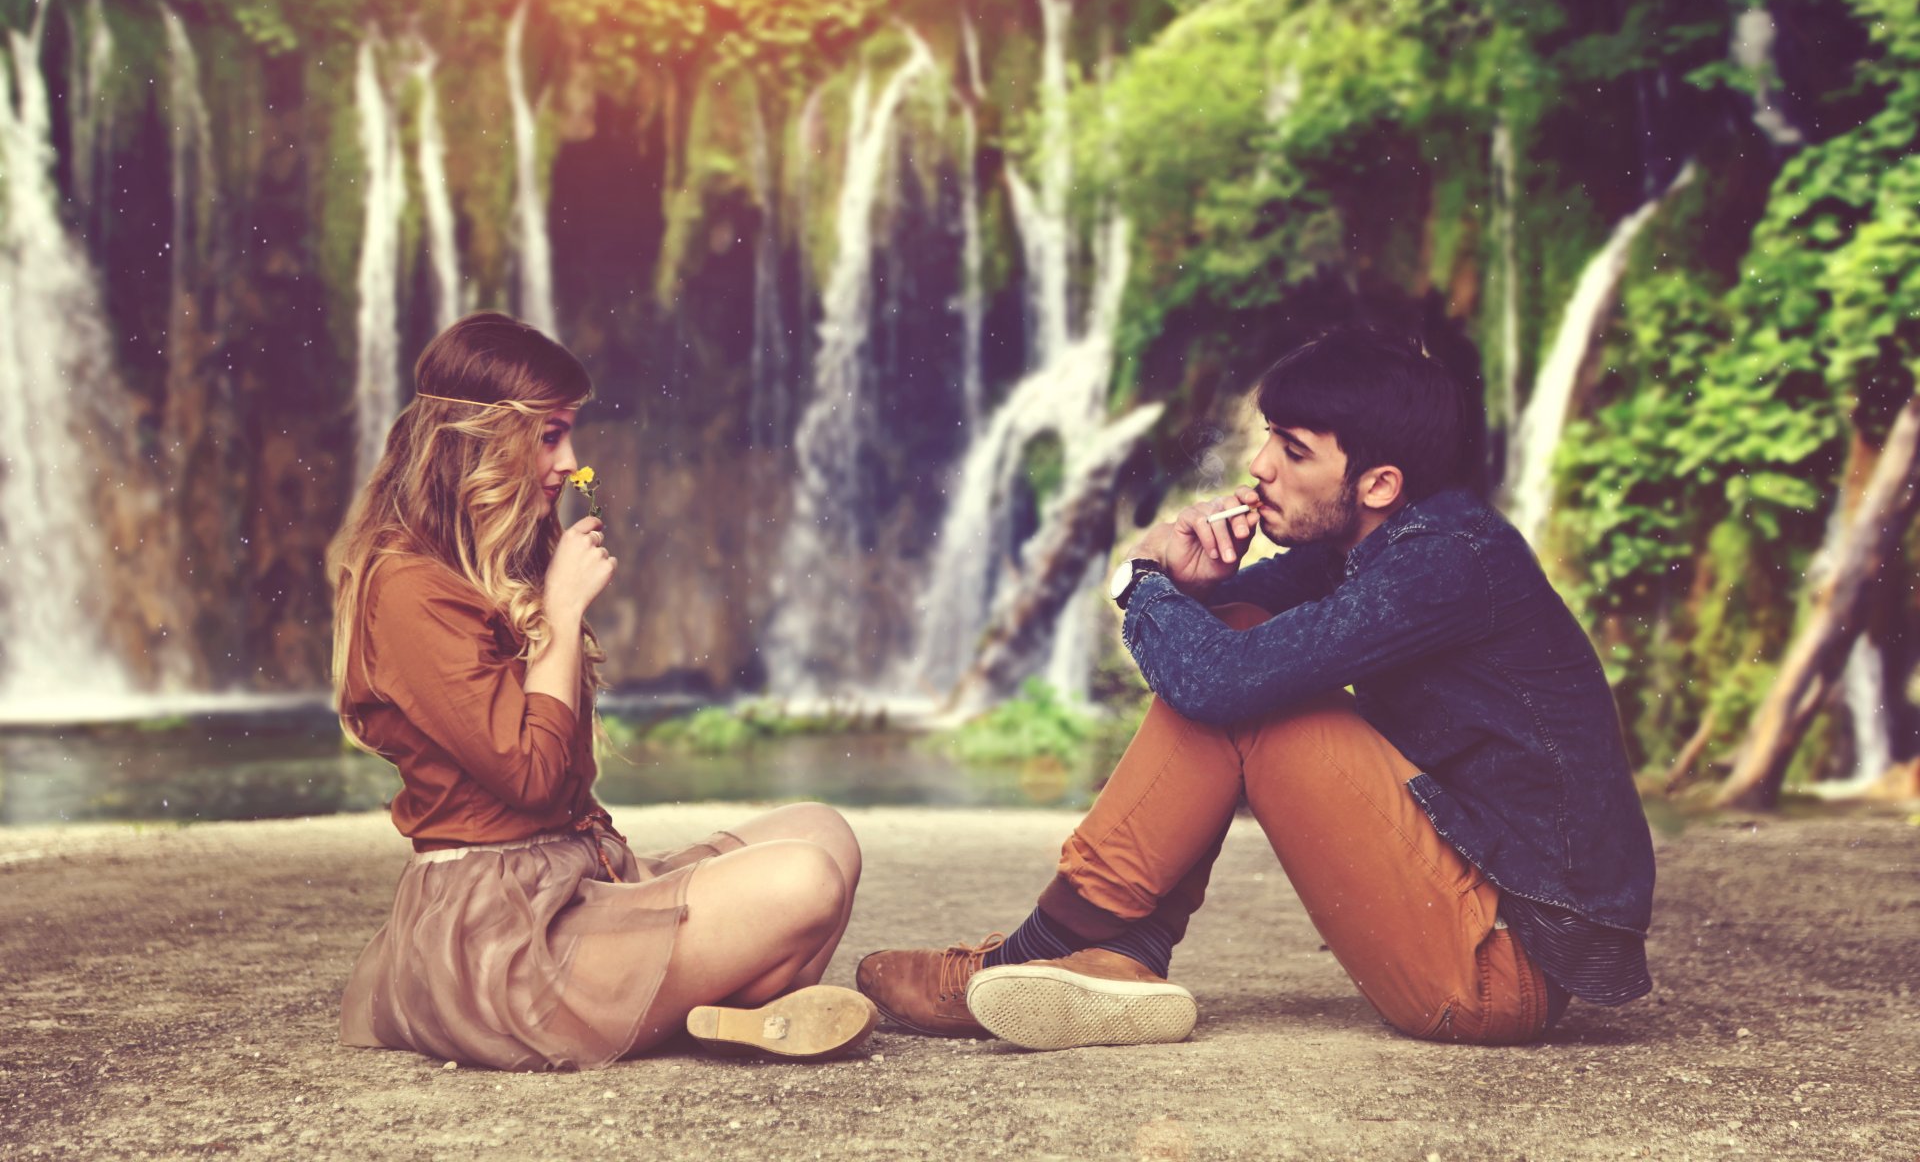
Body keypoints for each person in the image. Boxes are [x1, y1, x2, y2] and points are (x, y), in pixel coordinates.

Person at [858, 327, 1655, 1050]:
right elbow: (1222, 639)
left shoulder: (1446, 562)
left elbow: (1219, 679)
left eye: (1294, 450)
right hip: (1467, 919)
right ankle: (1114, 953)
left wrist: (1138, 578)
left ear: (1378, 484)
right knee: (1235, 628)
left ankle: (1046, 950)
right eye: (1269, 437)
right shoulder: (1370, 544)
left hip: (1496, 968)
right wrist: (1192, 587)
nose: (1260, 466)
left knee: (1243, 680)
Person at [332, 313, 876, 1071]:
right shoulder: (407, 585)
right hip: (499, 940)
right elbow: (529, 776)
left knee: (826, 833)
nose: (571, 462)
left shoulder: (496, 560)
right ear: (484, 437)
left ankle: (702, 1012)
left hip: (574, 880)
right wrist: (560, 613)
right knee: (803, 882)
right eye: (550, 435)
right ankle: (705, 1012)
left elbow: (557, 795)